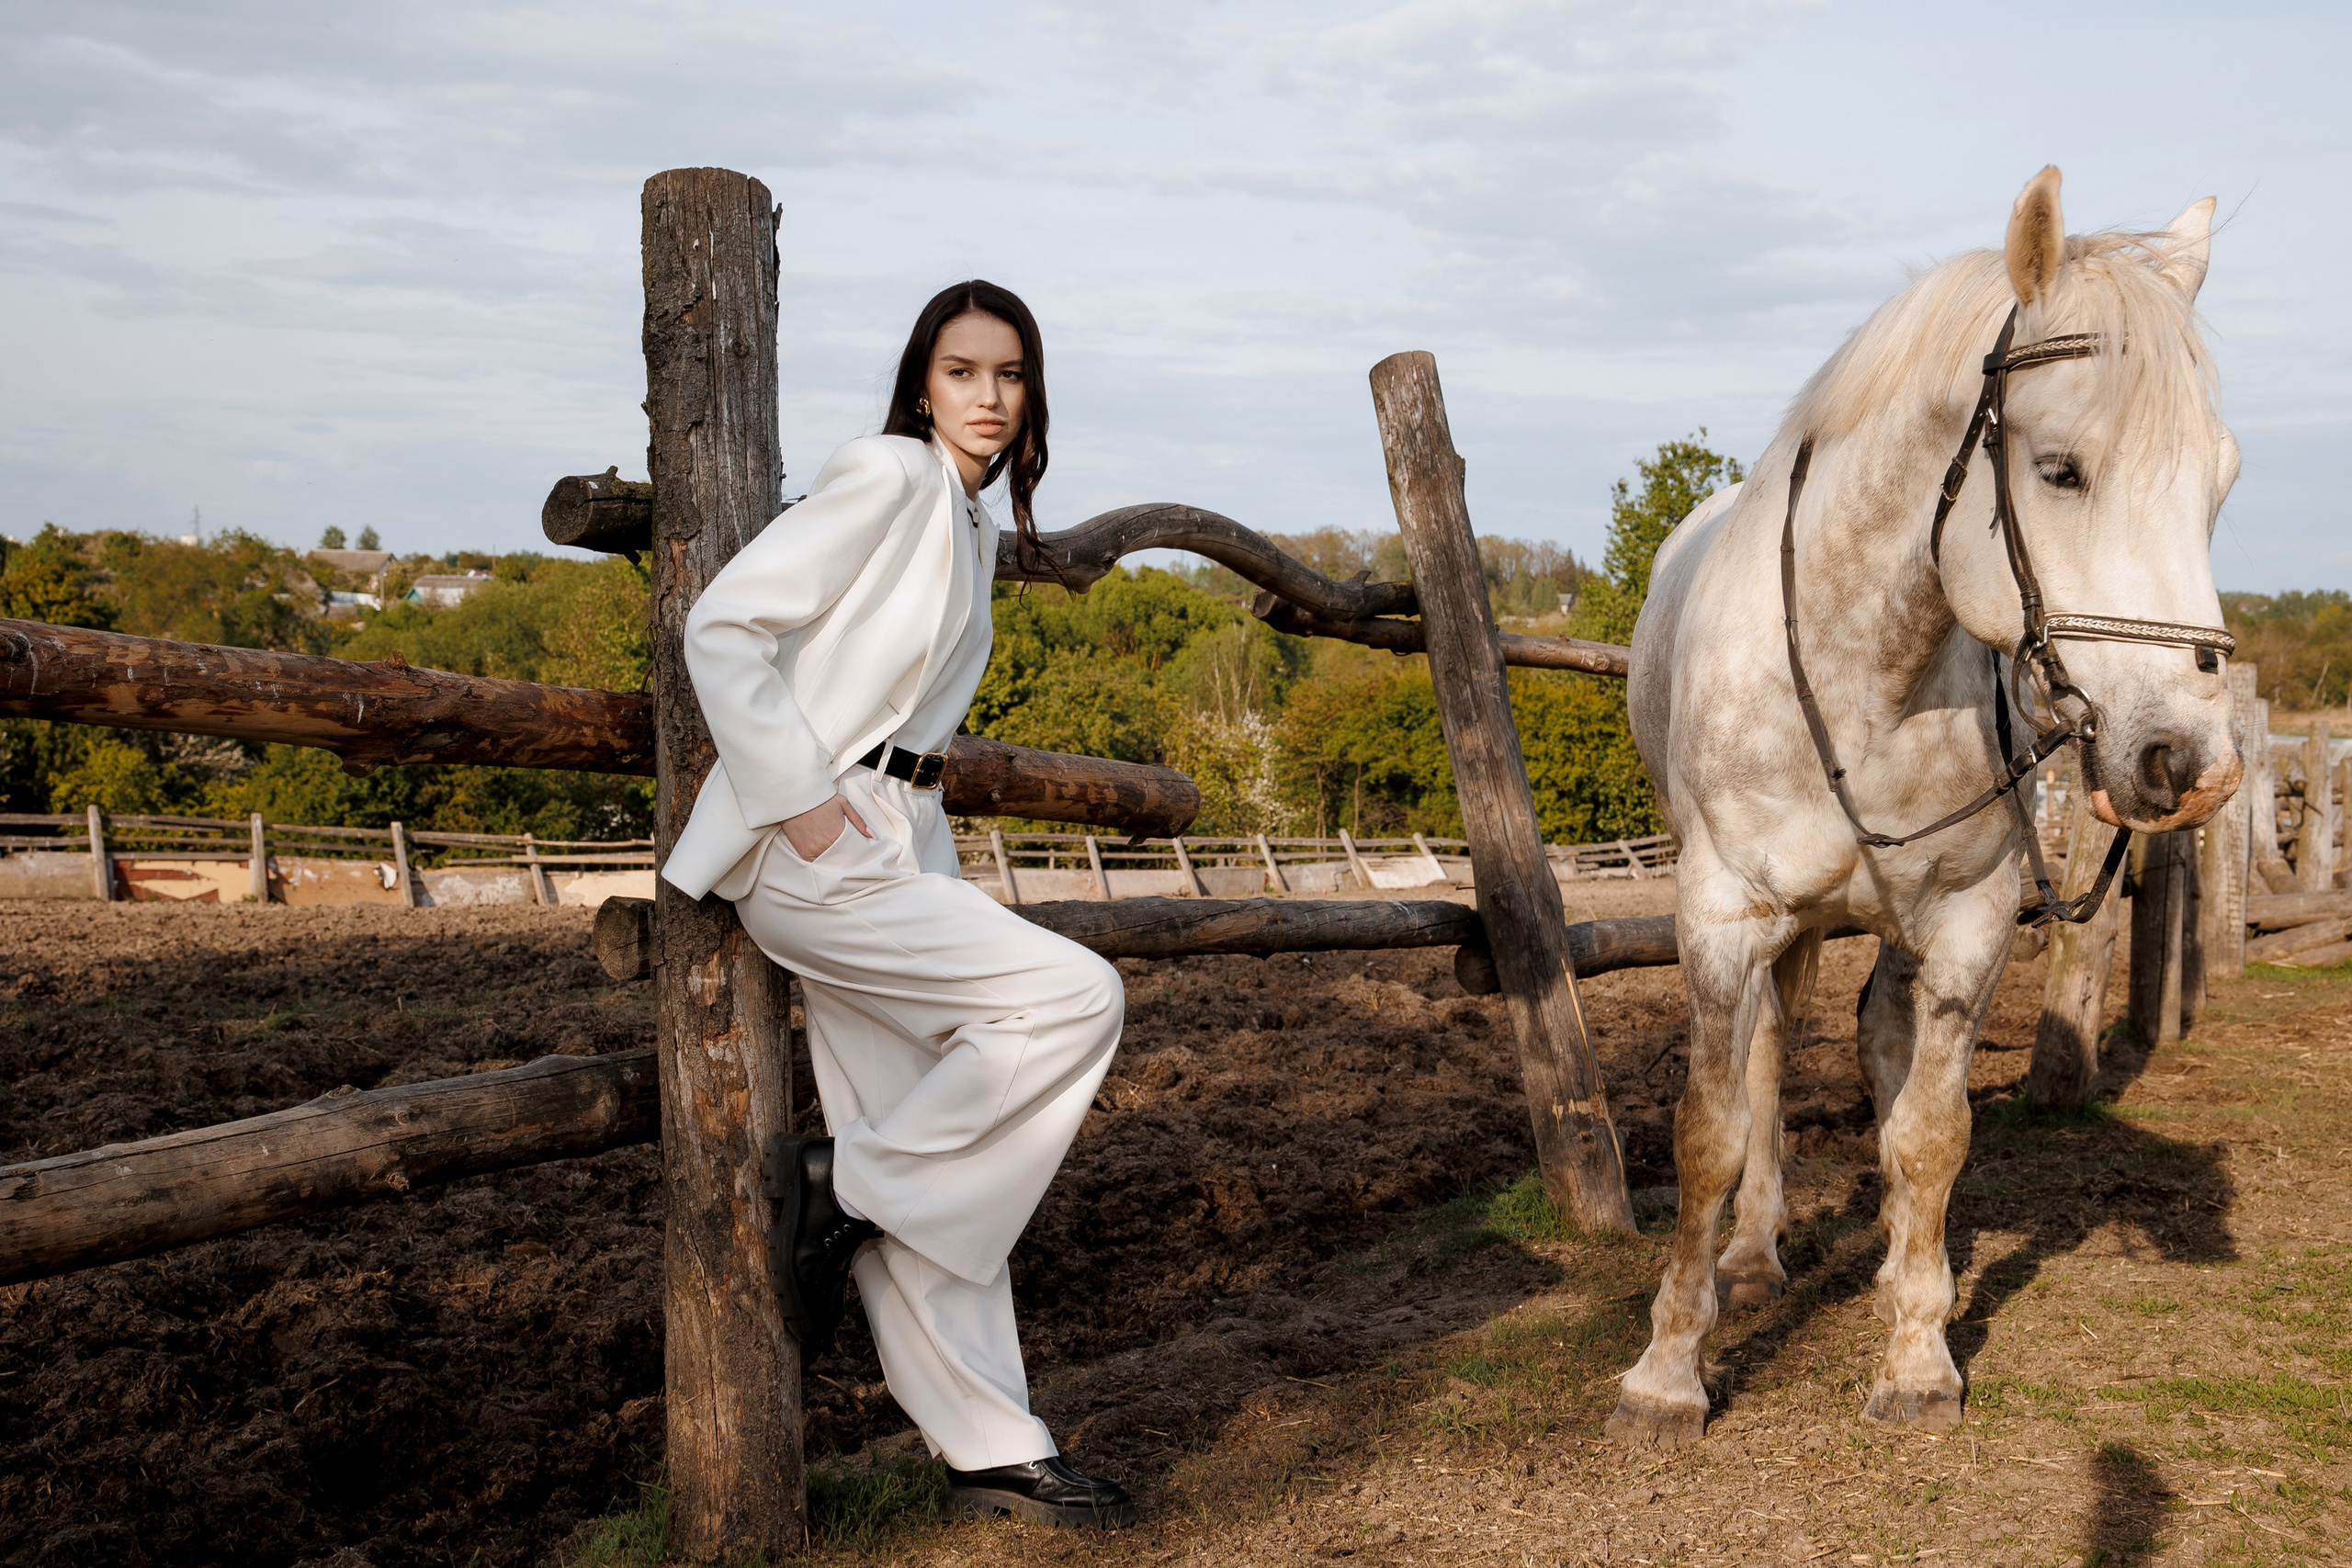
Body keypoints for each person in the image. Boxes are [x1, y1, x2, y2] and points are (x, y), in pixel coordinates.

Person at [660, 280, 1135, 1531]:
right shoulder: (885, 473)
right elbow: (723, 626)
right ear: (922, 382)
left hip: (905, 835)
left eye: (1010, 375)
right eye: (963, 371)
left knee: (939, 1136)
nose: (987, 397)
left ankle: (992, 1445)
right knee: (1075, 998)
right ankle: (845, 1186)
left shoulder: (969, 517)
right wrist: (800, 802)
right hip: (826, 840)